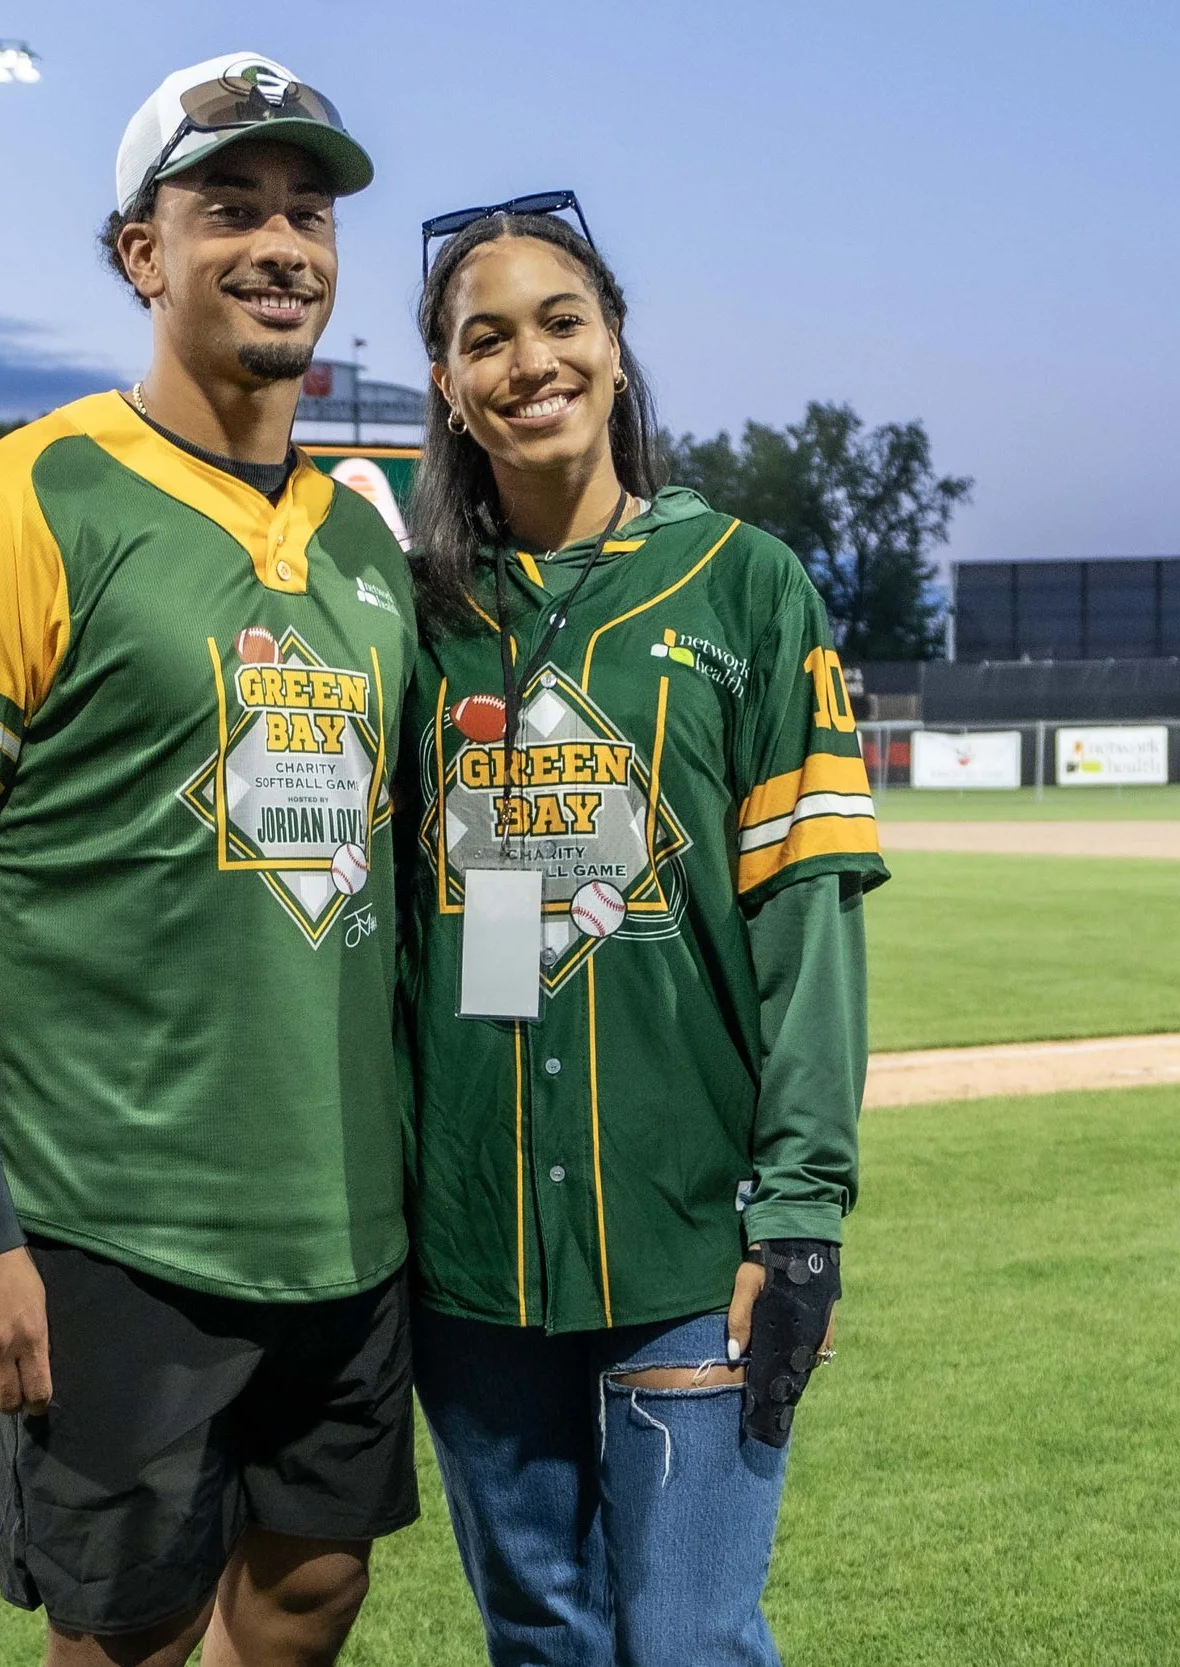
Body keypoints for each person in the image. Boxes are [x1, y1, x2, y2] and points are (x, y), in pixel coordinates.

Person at [0, 52, 417, 1667]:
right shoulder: (13, 501)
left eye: (308, 210)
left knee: (313, 1587)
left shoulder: (370, 540)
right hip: (113, 1211)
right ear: (139, 254)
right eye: (228, 206)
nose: (280, 241)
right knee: (128, 1630)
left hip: (348, 1210)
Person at [395, 196, 888, 1665]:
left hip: (686, 1241)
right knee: (542, 1643)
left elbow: (808, 927)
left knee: (683, 1643)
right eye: (484, 336)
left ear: (615, 347)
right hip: (470, 1255)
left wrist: (802, 1216)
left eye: (562, 321)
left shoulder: (745, 584)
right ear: (445, 382)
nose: (528, 359)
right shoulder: (418, 618)